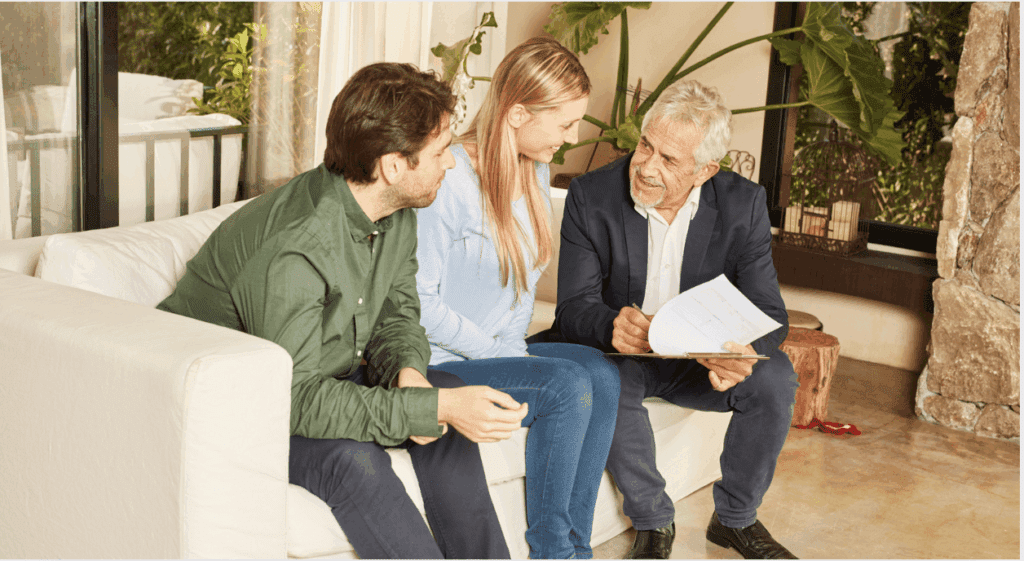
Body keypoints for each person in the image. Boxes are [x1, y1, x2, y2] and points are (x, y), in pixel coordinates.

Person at [156, 62, 526, 559]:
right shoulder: (296, 247)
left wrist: (410, 375)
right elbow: (298, 398)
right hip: (236, 410)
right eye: (440, 153)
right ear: (393, 165)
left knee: (447, 400)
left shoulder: (395, 208)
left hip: (313, 375)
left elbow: (396, 314)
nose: (453, 164)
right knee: (354, 460)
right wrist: (425, 406)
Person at [530, 80, 800, 559]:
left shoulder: (743, 203)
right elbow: (573, 308)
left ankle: (735, 519)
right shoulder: (592, 195)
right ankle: (654, 519)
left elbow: (770, 312)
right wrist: (612, 325)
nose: (647, 167)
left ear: (705, 170)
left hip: (699, 357)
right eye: (645, 146)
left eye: (669, 160)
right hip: (623, 355)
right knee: (604, 377)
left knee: (776, 376)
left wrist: (734, 349)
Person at [414, 37, 620, 559]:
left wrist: (513, 350)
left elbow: (521, 287)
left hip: (493, 351)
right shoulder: (450, 180)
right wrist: (496, 353)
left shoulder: (533, 168)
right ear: (518, 113)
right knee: (566, 384)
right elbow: (418, 304)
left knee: (601, 373)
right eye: (565, 123)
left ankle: (576, 546)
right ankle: (552, 552)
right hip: (440, 361)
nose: (572, 138)